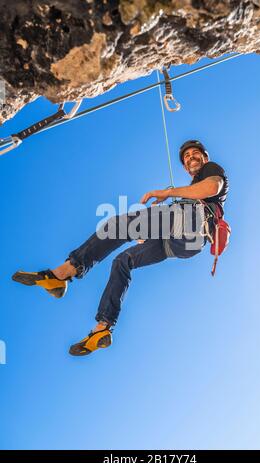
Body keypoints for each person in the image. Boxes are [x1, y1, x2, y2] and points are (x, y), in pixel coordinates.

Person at [12, 140, 229, 356]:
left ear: (205, 158)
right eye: (187, 157)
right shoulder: (190, 189)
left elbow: (211, 187)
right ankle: (102, 329)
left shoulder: (211, 169)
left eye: (195, 154)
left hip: (192, 223)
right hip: (181, 241)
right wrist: (150, 230)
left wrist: (167, 193)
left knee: (118, 226)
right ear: (184, 166)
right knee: (122, 261)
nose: (191, 157)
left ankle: (64, 272)